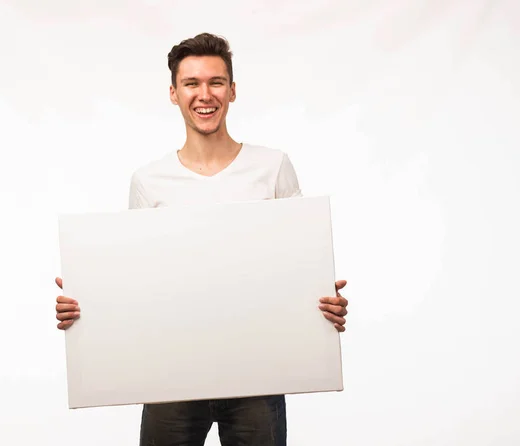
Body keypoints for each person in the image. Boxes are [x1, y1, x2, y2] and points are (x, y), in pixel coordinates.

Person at [54, 32, 349, 446]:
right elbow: (138, 280)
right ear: (174, 93)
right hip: (171, 376)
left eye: (215, 82)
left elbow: (299, 261)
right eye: (191, 83)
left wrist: (322, 299)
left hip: (257, 375)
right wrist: (87, 304)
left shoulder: (272, 165)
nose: (204, 94)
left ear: (232, 90)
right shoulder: (149, 181)